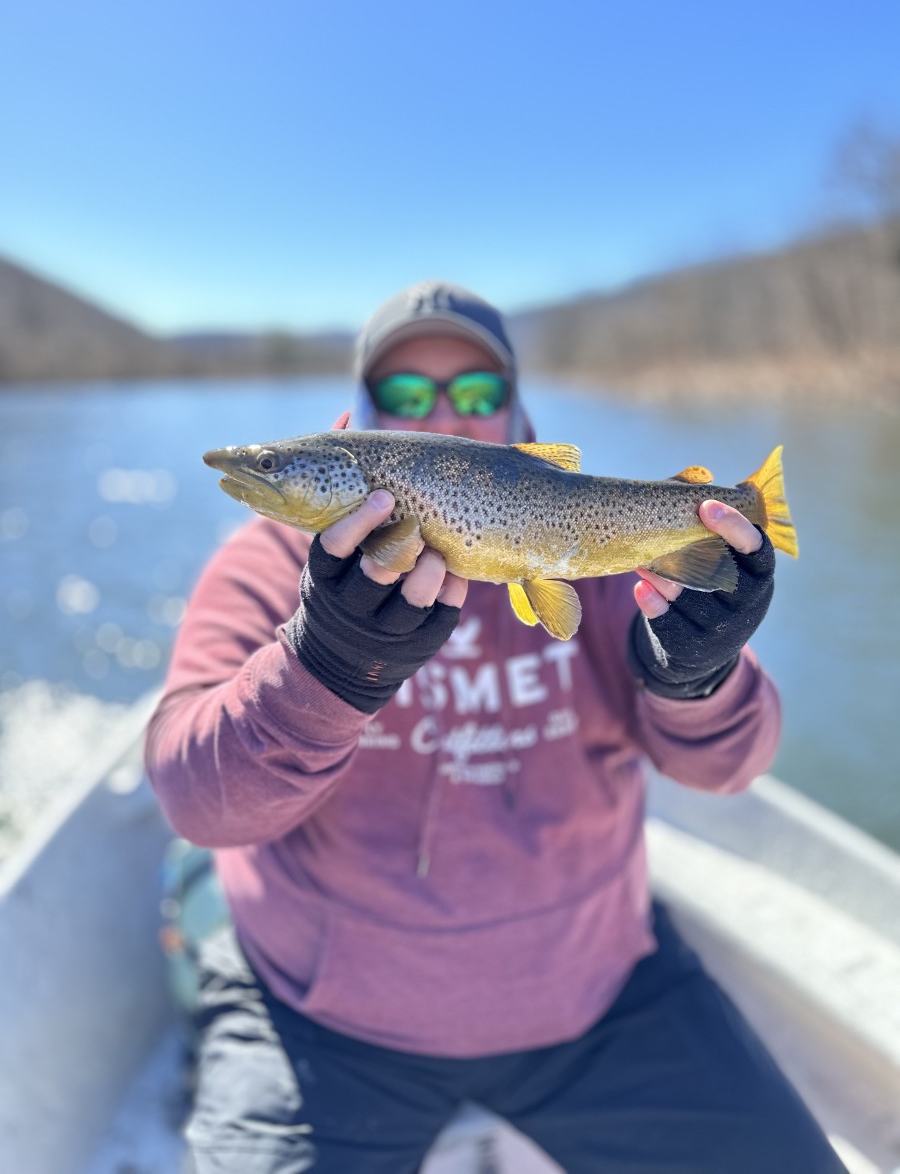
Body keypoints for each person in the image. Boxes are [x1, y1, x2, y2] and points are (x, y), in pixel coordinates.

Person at [145, 280, 845, 1173]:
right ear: (362, 418)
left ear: (515, 409)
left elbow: (729, 768)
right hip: (322, 1020)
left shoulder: (599, 564)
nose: (446, 412)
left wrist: (700, 674)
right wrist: (322, 664)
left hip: (600, 995)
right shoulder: (266, 567)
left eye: (476, 392)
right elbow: (195, 800)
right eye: (406, 394)